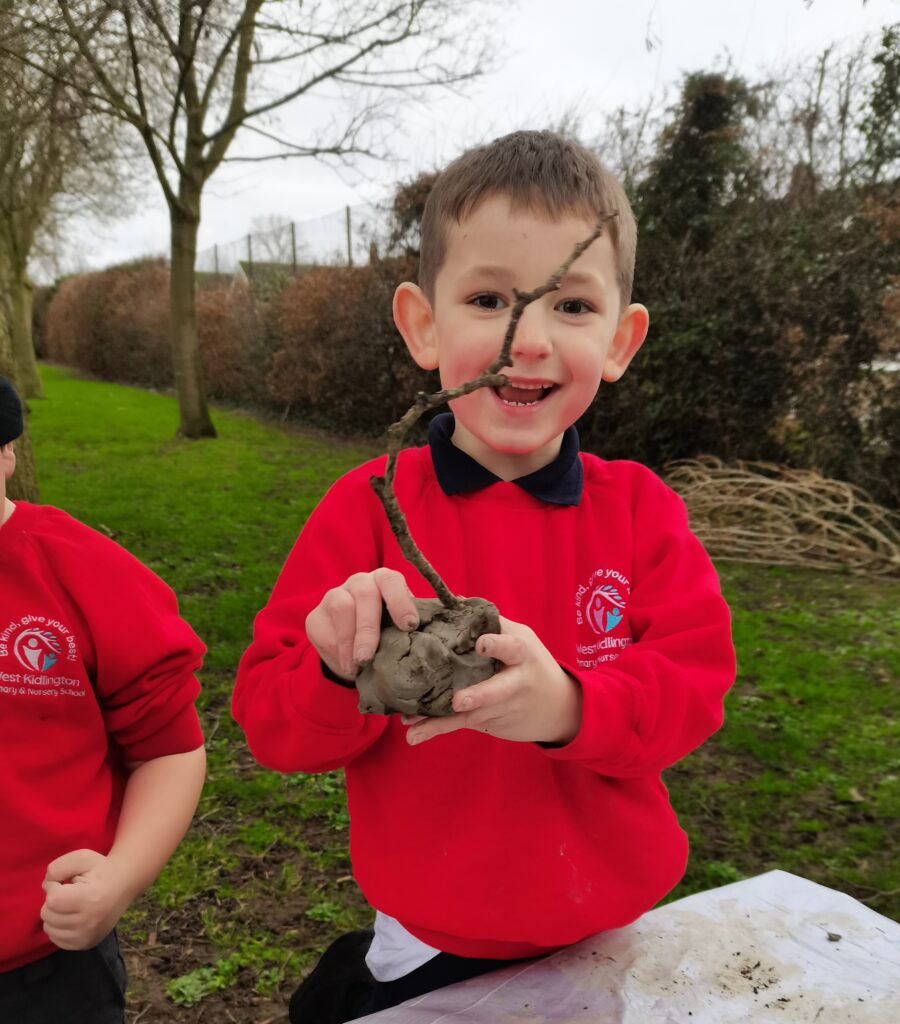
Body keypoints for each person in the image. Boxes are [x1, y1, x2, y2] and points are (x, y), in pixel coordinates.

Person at [232, 130, 736, 1022]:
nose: (526, 340)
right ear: (424, 326)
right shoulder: (365, 509)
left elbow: (695, 687)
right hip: (427, 937)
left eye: (572, 307)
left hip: (607, 931)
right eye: (490, 297)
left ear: (622, 340)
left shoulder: (640, 511)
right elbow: (273, 728)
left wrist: (570, 708)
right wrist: (334, 668)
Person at [0, 376, 207, 1024]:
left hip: (46, 968)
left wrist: (121, 877)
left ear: (7, 452)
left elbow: (171, 752)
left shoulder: (80, 573)